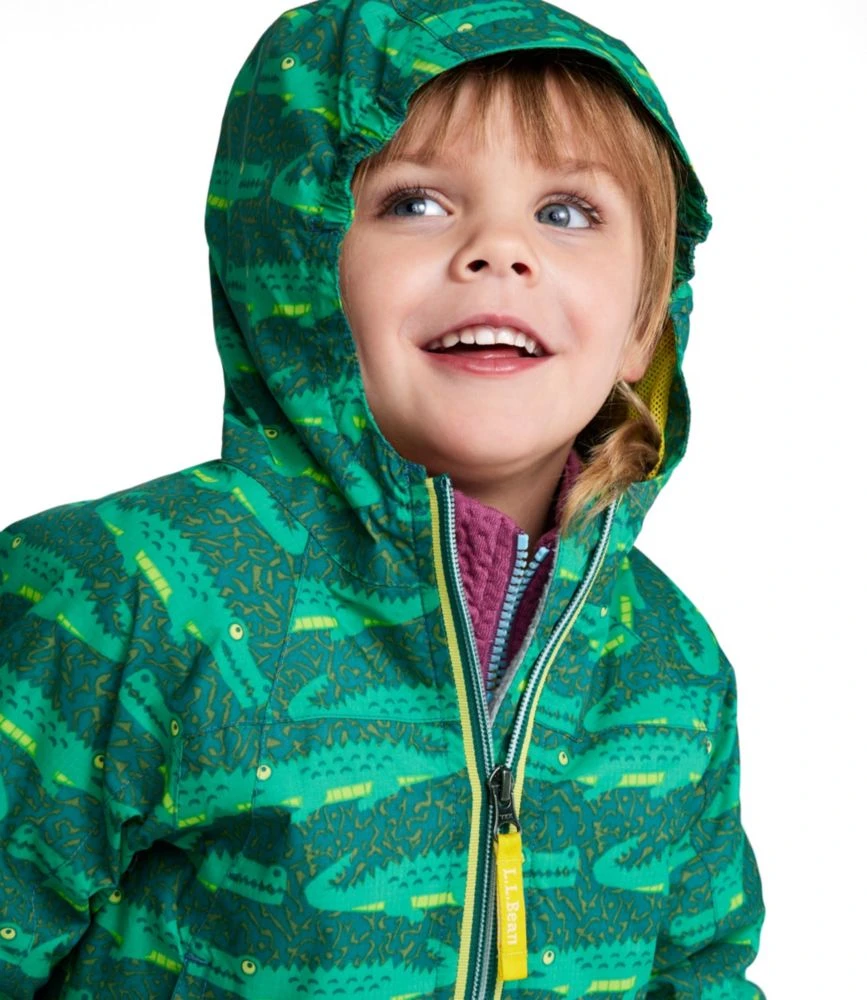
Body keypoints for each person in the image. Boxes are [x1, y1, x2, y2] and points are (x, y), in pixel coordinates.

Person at [0, 0, 766, 996]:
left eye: (566, 213)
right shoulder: (124, 594)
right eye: (416, 202)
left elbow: (699, 976)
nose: (500, 251)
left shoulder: (671, 664)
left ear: (643, 324)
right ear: (302, 263)